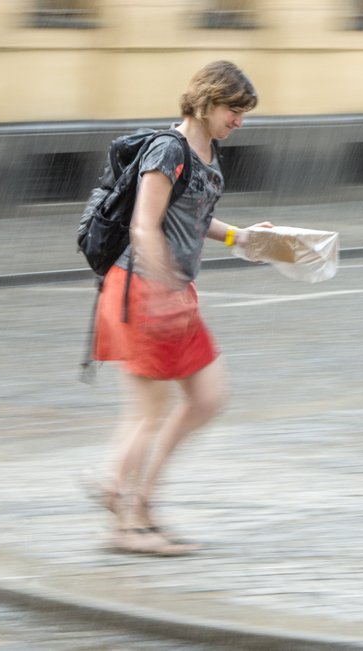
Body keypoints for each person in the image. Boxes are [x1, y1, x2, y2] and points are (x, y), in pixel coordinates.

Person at [84, 60, 268, 556]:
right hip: (143, 288)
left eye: (244, 112)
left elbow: (193, 218)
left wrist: (238, 236)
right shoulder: (169, 150)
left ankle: (132, 496)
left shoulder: (208, 153)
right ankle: (124, 513)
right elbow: (145, 225)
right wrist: (163, 288)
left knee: (207, 398)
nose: (240, 121)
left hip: (174, 290)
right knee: (149, 411)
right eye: (235, 110)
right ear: (207, 101)